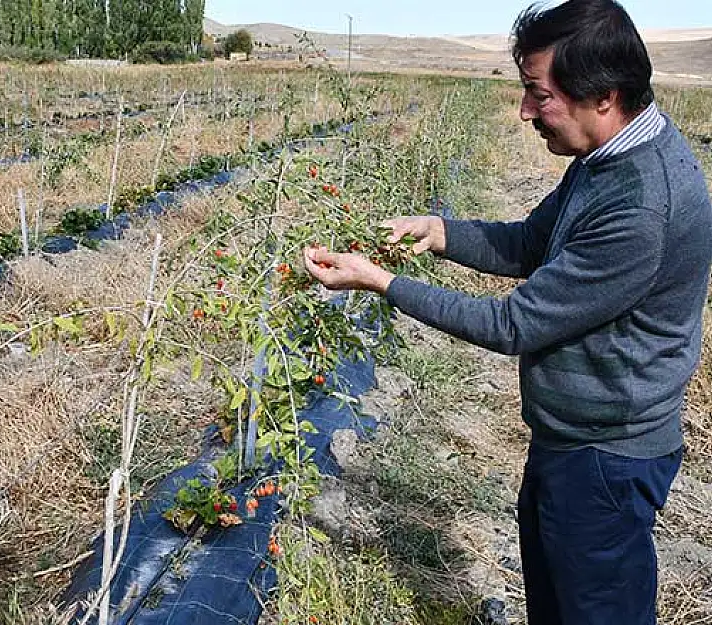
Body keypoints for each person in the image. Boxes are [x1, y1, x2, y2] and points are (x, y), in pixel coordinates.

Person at [303, 1, 712, 623]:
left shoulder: (641, 204)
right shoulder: (605, 160)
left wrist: (381, 283)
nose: (524, 112)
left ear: (603, 97)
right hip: (575, 437)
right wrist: (441, 231)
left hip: (606, 457)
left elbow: (513, 324)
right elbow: (530, 243)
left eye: (536, 94)